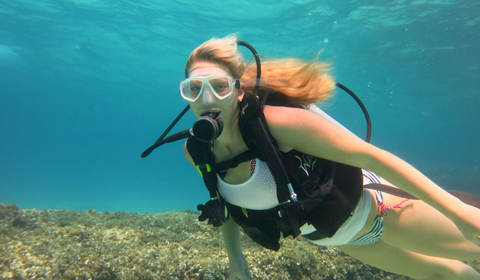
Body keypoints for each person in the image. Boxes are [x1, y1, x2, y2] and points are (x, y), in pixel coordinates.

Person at [180, 35, 480, 280]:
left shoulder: (278, 124)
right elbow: (227, 205)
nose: (206, 99)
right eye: (193, 89)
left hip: (381, 210)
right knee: (448, 275)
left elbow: (375, 158)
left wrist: (458, 212)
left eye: (219, 86)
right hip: (341, 239)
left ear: (238, 90)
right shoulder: (197, 151)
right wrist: (236, 262)